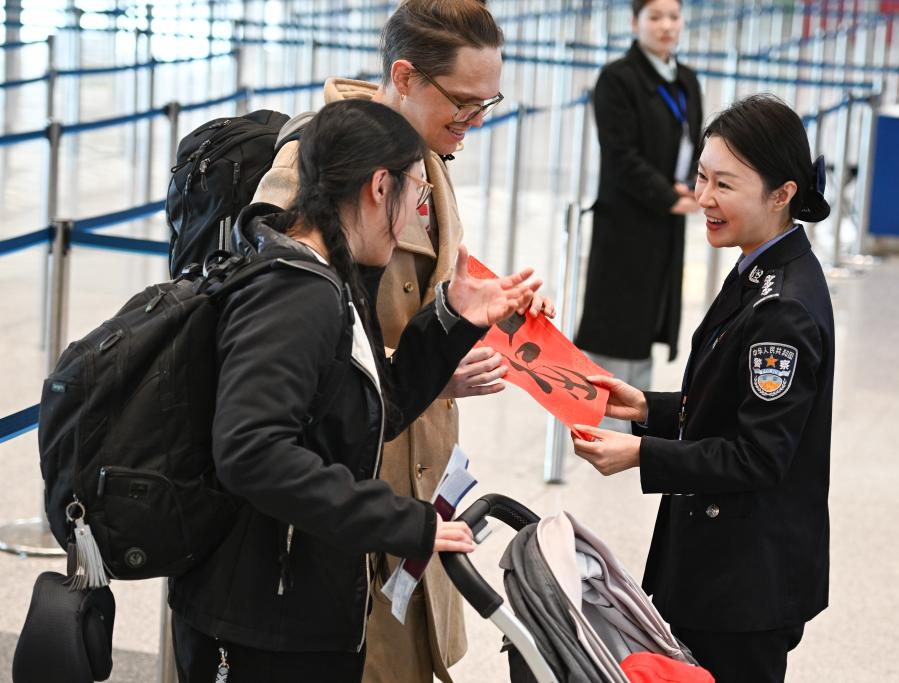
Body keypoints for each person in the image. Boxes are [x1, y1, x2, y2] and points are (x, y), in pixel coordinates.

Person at [168, 99, 544, 682]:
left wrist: (452, 319)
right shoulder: (295, 293)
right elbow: (251, 452)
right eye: (417, 195)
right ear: (377, 187)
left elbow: (366, 414)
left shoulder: (333, 276)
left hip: (297, 599)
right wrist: (399, 521)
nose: (418, 212)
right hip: (259, 623)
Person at [251, 2, 553, 679]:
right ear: (406, 76)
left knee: (411, 651)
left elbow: (425, 281)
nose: (475, 122)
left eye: (488, 103)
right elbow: (281, 323)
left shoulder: (424, 151)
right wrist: (421, 370)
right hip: (352, 472)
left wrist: (490, 304)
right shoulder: (319, 157)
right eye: (464, 104)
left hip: (418, 450)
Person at [572, 94, 835, 683]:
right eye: (701, 178)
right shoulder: (757, 270)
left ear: (782, 192)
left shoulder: (782, 308)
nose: (705, 199)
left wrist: (642, 453)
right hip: (717, 564)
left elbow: (759, 455)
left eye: (725, 184)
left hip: (742, 585)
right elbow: (732, 404)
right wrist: (648, 408)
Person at [575, 0, 704, 406]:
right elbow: (620, 154)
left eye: (673, 17)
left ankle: (635, 411)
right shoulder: (617, 78)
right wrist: (668, 196)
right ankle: (596, 410)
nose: (666, 26)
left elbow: (693, 143)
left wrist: (693, 188)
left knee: (650, 315)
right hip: (627, 219)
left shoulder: (686, 79)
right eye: (655, 17)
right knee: (616, 320)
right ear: (635, 23)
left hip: (668, 217)